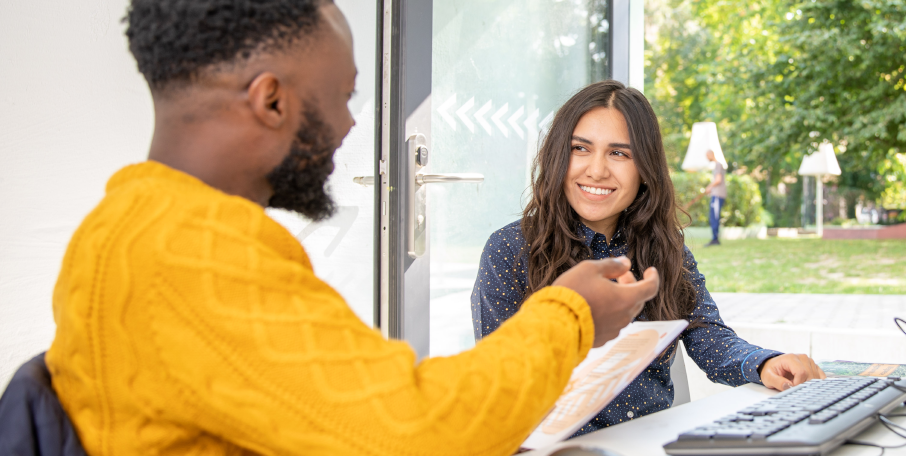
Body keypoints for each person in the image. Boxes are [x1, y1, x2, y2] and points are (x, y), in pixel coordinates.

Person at [43, 1, 660, 454]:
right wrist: (571, 314)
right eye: (342, 95)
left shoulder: (124, 223)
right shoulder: (193, 252)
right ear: (272, 100)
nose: (347, 125)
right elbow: (420, 432)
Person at [471, 80, 825, 436]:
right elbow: (497, 385)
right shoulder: (510, 250)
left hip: (653, 441)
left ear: (645, 170)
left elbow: (706, 334)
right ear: (558, 155)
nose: (596, 170)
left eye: (619, 153)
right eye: (580, 148)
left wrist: (766, 363)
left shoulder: (666, 247)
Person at [703, 149, 727, 246]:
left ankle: (715, 239)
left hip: (718, 195)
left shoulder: (718, 165)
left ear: (710, 155)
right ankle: (714, 238)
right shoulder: (718, 165)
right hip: (716, 194)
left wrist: (709, 187)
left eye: (707, 156)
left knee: (714, 216)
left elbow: (718, 180)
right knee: (713, 216)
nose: (706, 158)